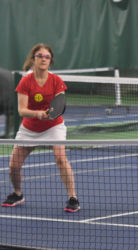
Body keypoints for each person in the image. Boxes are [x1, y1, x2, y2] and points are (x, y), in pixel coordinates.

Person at [1, 43, 80, 213]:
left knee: (60, 158)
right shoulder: (25, 81)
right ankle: (17, 193)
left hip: (53, 127)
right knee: (14, 165)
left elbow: (59, 104)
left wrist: (49, 114)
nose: (43, 59)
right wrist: (39, 114)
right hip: (29, 129)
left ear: (50, 61)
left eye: (47, 57)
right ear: (33, 59)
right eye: (40, 56)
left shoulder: (56, 81)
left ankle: (73, 197)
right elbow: (22, 110)